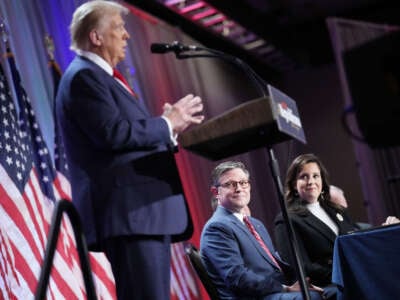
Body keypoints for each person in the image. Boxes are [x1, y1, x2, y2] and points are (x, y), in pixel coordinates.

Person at [55, 1, 204, 299]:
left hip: (143, 214)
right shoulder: (83, 77)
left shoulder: (103, 79)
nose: (126, 36)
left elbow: (123, 137)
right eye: (119, 28)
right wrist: (164, 124)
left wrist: (169, 129)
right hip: (130, 215)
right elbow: (113, 134)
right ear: (96, 37)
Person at [200, 161, 336, 300]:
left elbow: (277, 266)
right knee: (312, 297)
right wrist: (287, 289)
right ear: (216, 192)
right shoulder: (216, 228)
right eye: (230, 184)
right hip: (255, 297)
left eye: (243, 183)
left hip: (275, 290)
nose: (239, 188)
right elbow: (238, 278)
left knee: (338, 290)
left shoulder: (255, 224)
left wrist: (304, 282)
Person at [274, 154, 360, 287]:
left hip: (356, 273)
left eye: (315, 176)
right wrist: (342, 273)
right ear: (294, 184)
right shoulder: (287, 219)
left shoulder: (337, 210)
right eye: (304, 177)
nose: (311, 181)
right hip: (328, 284)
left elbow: (358, 241)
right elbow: (300, 266)